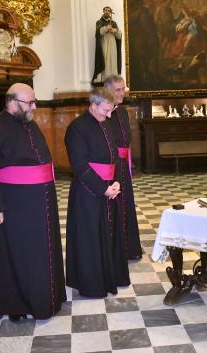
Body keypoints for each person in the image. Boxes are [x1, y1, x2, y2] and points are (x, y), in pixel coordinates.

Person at [0, 83, 66, 321]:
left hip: (40, 202)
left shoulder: (29, 123)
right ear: (12, 102)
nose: (34, 106)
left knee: (40, 253)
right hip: (15, 205)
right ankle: (19, 304)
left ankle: (47, 296)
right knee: (20, 256)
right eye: (30, 102)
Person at [65, 88, 130, 297]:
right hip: (88, 192)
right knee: (91, 238)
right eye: (105, 111)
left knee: (109, 235)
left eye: (111, 111)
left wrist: (117, 182)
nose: (109, 116)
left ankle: (111, 276)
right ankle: (93, 283)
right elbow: (80, 165)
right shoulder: (76, 128)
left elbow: (115, 158)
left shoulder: (104, 123)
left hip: (109, 187)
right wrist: (103, 188)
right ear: (93, 105)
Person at [103, 75, 142, 260]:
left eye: (123, 89)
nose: (121, 93)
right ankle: (114, 251)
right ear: (108, 91)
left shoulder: (124, 112)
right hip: (110, 168)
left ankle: (129, 248)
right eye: (117, 90)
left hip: (124, 166)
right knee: (114, 207)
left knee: (126, 206)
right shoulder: (103, 114)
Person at [92, 6, 122, 83]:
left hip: (113, 46)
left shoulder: (114, 23)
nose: (106, 12)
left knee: (113, 60)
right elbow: (98, 33)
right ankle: (106, 79)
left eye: (108, 11)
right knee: (106, 60)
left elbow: (119, 36)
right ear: (103, 11)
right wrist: (106, 28)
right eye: (105, 10)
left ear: (110, 12)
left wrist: (114, 30)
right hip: (104, 44)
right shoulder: (99, 22)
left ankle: (114, 78)